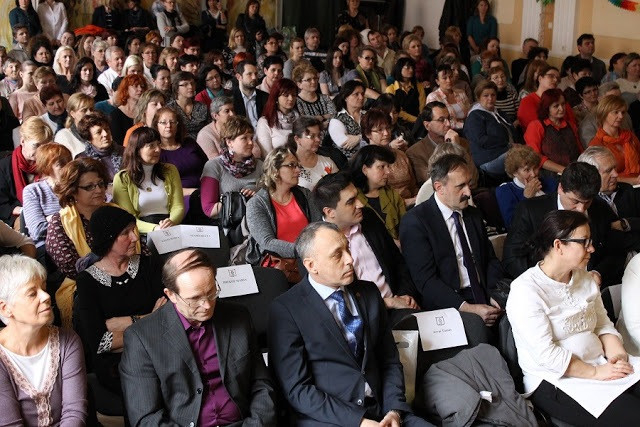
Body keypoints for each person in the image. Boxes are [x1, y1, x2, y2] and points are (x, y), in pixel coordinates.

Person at [268, 222, 431, 427]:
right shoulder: (286, 310)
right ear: (311, 265)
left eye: (347, 248)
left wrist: (394, 410)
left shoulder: (369, 292)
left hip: (382, 410)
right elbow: (297, 389)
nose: (350, 259)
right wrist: (358, 421)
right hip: (330, 418)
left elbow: (389, 360)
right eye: (337, 255)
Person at [506, 210, 640, 425]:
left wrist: (617, 356)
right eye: (584, 242)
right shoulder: (526, 290)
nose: (592, 248)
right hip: (557, 379)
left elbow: (602, 324)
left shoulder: (584, 278)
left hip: (600, 362)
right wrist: (596, 372)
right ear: (559, 245)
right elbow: (546, 355)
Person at [119, 248, 277, 425]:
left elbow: (261, 384)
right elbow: (146, 417)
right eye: (195, 298)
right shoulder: (141, 338)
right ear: (171, 295)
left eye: (211, 292)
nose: (207, 305)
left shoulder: (239, 317)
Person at [400, 154, 504, 323]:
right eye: (460, 186)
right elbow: (426, 282)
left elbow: (490, 259)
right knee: (480, 332)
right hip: (450, 304)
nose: (468, 193)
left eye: (468, 184)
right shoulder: (416, 222)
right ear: (439, 187)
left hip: (484, 292)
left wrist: (494, 294)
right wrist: (468, 308)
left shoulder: (473, 214)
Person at [75, 205, 162, 394]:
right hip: (116, 366)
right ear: (108, 238)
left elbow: (167, 319)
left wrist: (125, 323)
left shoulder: (148, 265)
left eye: (134, 230)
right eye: (125, 233)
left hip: (159, 353)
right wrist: (149, 318)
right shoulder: (87, 281)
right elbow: (101, 342)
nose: (135, 238)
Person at [315, 172, 420, 324]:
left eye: (357, 196)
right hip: (363, 320)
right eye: (351, 201)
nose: (361, 204)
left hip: (400, 305)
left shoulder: (368, 217)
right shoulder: (318, 243)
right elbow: (337, 303)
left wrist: (406, 296)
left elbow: (397, 262)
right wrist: (388, 303)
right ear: (330, 212)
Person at [503, 161, 622, 287]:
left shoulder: (600, 208)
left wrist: (598, 273)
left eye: (587, 202)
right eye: (575, 201)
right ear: (560, 188)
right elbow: (511, 259)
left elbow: (616, 251)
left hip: (591, 285)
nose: (581, 209)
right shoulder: (530, 211)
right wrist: (546, 281)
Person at [0, 254, 87, 426]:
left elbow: (74, 413)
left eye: (44, 288)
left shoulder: (67, 341)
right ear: (5, 308)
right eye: (32, 293)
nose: (46, 296)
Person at [45, 158, 111, 324]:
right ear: (72, 191)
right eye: (89, 187)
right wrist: (114, 275)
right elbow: (72, 267)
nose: (98, 190)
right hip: (85, 284)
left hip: (126, 274)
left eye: (100, 184)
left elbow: (141, 251)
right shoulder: (60, 222)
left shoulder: (116, 214)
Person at [245, 146, 320, 265]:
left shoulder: (305, 194)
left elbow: (318, 227)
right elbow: (267, 242)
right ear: (275, 170)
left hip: (311, 258)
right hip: (279, 264)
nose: (298, 170)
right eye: (291, 165)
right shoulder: (256, 204)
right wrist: (305, 251)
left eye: (298, 166)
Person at [113, 127, 184, 233]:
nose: (158, 149)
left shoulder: (170, 170)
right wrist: (155, 229)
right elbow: (128, 218)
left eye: (158, 144)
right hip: (140, 231)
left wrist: (171, 222)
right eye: (151, 146)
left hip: (169, 227)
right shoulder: (122, 178)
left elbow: (178, 206)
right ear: (137, 150)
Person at [579, 146, 640, 257]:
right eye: (608, 171)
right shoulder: (585, 203)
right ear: (591, 175)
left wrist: (625, 223)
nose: (616, 174)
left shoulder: (627, 190)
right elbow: (604, 243)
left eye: (614, 168)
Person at [199, 115, 262, 220]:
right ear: (229, 142)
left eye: (251, 138)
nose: (251, 143)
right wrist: (241, 200)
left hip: (258, 219)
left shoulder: (260, 165)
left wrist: (258, 197)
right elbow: (209, 210)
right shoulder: (214, 166)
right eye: (244, 138)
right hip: (228, 224)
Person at [0, 117, 52, 227]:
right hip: (18, 216)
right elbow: (2, 205)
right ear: (22, 141)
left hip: (48, 213)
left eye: (44, 146)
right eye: (36, 145)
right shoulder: (4, 166)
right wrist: (27, 211)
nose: (40, 151)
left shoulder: (51, 164)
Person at [406, 101, 473, 185]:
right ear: (427, 125)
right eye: (441, 120)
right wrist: (454, 152)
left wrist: (457, 147)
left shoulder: (462, 143)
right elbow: (434, 183)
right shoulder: (415, 152)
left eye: (449, 119)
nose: (448, 124)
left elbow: (474, 179)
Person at [22, 143, 72, 254]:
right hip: (49, 248)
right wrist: (66, 217)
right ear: (47, 168)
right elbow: (38, 230)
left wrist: (52, 219)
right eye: (61, 164)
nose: (68, 167)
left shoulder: (76, 188)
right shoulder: (33, 191)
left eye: (69, 162)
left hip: (80, 241)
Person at [361, 109, 417, 205]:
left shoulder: (401, 155)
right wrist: (412, 201)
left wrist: (418, 199)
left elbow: (413, 186)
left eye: (388, 128)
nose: (386, 133)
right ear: (368, 134)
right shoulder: (365, 160)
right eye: (380, 130)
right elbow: (375, 198)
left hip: (414, 204)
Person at [350, 145, 406, 242]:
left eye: (388, 166)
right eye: (382, 167)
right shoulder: (353, 198)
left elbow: (405, 221)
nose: (388, 172)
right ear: (365, 169)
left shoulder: (390, 193)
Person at [495, 144, 556, 229]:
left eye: (535, 168)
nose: (533, 174)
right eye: (527, 170)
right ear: (515, 172)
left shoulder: (549, 182)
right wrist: (526, 198)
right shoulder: (505, 191)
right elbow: (512, 225)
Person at [524, 88, 583, 175]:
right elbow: (536, 157)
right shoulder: (536, 126)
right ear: (547, 108)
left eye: (563, 104)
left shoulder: (570, 125)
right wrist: (564, 170)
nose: (561, 109)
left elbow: (580, 150)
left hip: (575, 171)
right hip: (550, 175)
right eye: (556, 106)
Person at [464, 80, 514, 179]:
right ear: (478, 98)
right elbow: (481, 140)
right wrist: (508, 145)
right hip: (488, 159)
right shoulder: (475, 116)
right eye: (486, 96)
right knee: (521, 156)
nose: (490, 99)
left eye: (493, 95)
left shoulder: (499, 113)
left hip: (506, 151)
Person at [153, 106, 208, 195]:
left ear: (178, 125)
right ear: (156, 126)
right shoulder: (156, 152)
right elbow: (162, 188)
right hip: (178, 196)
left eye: (172, 122)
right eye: (163, 122)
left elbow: (207, 166)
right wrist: (195, 192)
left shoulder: (189, 143)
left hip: (204, 190)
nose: (168, 126)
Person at [588, 94, 640, 184]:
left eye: (623, 112)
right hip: (616, 187)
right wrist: (633, 181)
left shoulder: (629, 136)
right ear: (604, 113)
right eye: (616, 112)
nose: (621, 116)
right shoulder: (596, 144)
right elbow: (601, 177)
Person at [518, 64, 577, 132]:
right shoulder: (527, 101)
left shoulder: (561, 99)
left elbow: (572, 123)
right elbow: (534, 128)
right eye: (551, 76)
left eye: (558, 79)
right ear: (540, 78)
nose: (555, 80)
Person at [287, 116, 337, 191]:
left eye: (318, 135)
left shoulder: (327, 162)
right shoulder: (289, 167)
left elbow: (340, 186)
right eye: (312, 136)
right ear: (297, 139)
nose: (318, 140)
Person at [255, 78, 299, 157]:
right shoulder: (265, 122)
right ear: (276, 97)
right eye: (286, 95)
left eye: (294, 95)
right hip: (278, 162)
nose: (291, 98)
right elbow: (267, 156)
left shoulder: (299, 118)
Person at [76, 112, 124, 180]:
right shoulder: (82, 159)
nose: (105, 134)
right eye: (98, 132)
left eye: (107, 129)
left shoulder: (125, 152)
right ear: (89, 138)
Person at [328, 80, 366, 160]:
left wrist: (358, 138)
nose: (361, 97)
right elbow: (345, 144)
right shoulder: (337, 119)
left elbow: (377, 136)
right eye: (356, 94)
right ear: (346, 97)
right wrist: (366, 138)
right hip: (348, 161)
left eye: (362, 94)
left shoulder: (368, 115)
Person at [166, 71, 209, 141]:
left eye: (192, 83)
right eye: (185, 84)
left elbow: (209, 128)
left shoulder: (202, 107)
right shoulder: (170, 109)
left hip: (202, 142)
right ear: (176, 88)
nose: (190, 87)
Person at [426, 64, 470, 131]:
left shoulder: (461, 93)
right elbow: (439, 122)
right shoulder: (433, 97)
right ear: (437, 81)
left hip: (466, 129)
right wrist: (465, 125)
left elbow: (469, 113)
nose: (449, 80)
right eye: (444, 78)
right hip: (446, 131)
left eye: (451, 77)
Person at [293, 63, 336, 132]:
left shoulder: (325, 98)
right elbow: (304, 123)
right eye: (308, 80)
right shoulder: (296, 101)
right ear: (299, 84)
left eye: (315, 78)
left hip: (331, 133)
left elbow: (334, 116)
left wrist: (320, 117)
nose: (313, 82)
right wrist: (325, 117)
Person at [385, 57, 425, 125]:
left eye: (412, 67)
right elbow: (396, 111)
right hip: (399, 123)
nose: (411, 70)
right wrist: (416, 120)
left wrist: (420, 120)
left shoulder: (419, 86)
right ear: (399, 69)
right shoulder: (391, 89)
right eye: (408, 68)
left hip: (419, 122)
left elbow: (422, 107)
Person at [232, 60, 268, 129]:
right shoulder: (231, 99)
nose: (254, 77)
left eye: (256, 74)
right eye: (249, 74)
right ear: (238, 77)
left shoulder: (265, 97)